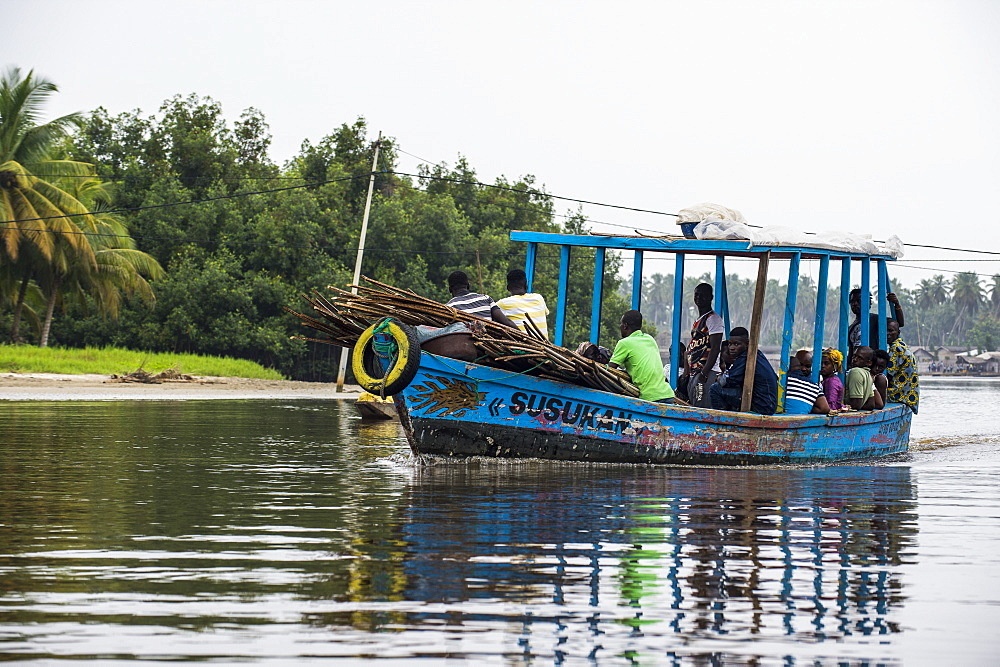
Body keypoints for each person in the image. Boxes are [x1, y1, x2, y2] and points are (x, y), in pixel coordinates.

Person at [609, 310, 675, 403]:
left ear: (625, 325)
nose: (620, 327)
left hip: (651, 397)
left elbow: (610, 370)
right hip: (668, 394)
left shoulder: (624, 343)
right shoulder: (650, 339)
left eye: (621, 324)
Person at [708, 327, 778, 415]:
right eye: (730, 344)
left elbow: (727, 381)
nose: (732, 348)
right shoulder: (757, 354)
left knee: (715, 389)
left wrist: (719, 378)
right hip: (768, 405)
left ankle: (721, 418)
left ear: (747, 344)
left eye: (736, 344)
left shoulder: (747, 357)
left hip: (762, 406)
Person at [678, 283, 724, 408]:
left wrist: (704, 373)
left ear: (710, 297)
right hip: (696, 372)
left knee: (702, 406)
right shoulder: (699, 320)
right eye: (696, 294)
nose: (698, 297)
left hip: (707, 372)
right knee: (694, 404)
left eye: (702, 295)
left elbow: (715, 348)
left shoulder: (713, 319)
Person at [848, 288, 906, 360]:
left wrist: (896, 304)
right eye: (852, 301)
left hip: (872, 364)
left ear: (868, 303)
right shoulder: (851, 327)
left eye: (859, 301)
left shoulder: (875, 319)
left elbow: (899, 323)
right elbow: (851, 349)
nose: (855, 304)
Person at [445, 271, 518, 328]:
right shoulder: (486, 298)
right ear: (468, 285)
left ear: (450, 289)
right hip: (488, 342)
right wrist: (527, 338)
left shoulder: (448, 308)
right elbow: (505, 321)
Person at [496, 269, 550, 339]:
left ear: (508, 288)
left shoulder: (503, 304)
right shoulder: (539, 298)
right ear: (526, 286)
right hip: (544, 345)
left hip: (523, 346)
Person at [886, 318, 920, 414]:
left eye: (891, 330)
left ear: (898, 332)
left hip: (901, 394)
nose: (887, 334)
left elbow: (888, 374)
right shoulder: (902, 345)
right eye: (886, 331)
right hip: (910, 394)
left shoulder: (896, 348)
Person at [845, 346, 884, 411]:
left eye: (860, 358)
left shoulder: (855, 372)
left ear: (869, 363)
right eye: (854, 356)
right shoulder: (868, 375)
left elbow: (855, 405)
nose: (855, 359)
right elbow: (871, 405)